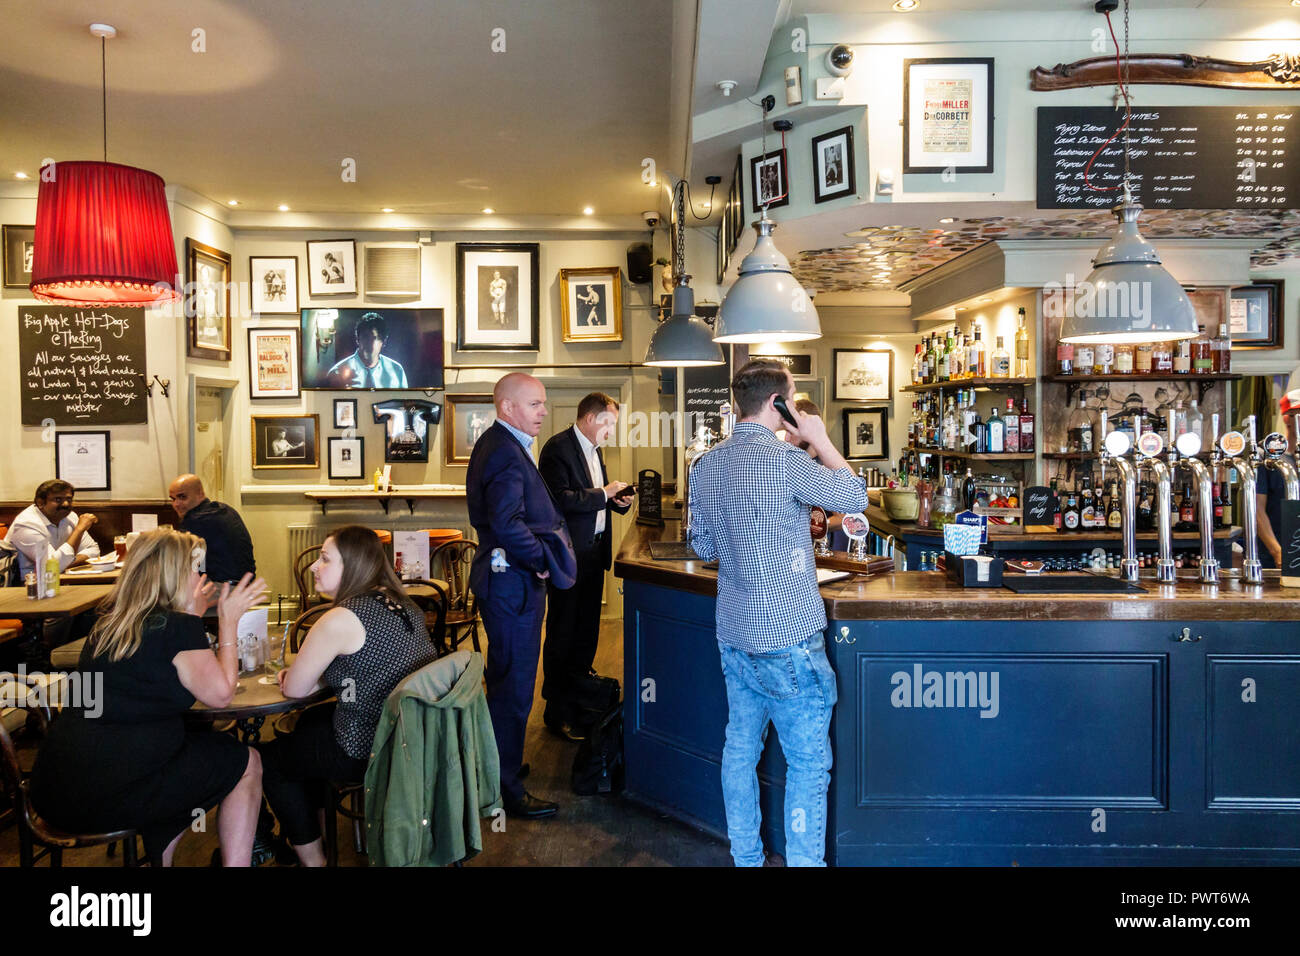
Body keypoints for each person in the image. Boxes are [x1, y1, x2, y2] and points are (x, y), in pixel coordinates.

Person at [687, 359, 867, 867]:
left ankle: (747, 859)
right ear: (778, 404)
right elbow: (855, 498)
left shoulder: (707, 465)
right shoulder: (786, 462)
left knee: (739, 751)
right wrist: (820, 436)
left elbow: (702, 545)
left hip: (735, 630)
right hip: (787, 635)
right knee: (808, 765)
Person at [29, 530, 267, 865]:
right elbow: (221, 695)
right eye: (193, 569)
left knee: (182, 758)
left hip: (56, 786)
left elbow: (154, 666)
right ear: (172, 575)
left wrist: (190, 619)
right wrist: (228, 623)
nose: (200, 577)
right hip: (111, 794)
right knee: (246, 761)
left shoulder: (108, 626)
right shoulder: (176, 628)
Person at [259, 525, 437, 866]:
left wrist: (295, 675)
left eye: (325, 559)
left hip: (368, 745)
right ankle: (320, 833)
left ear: (353, 565)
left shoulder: (341, 617)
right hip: (413, 737)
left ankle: (314, 860)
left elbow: (296, 689)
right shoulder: (403, 603)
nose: (314, 566)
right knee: (307, 724)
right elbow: (367, 663)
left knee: (270, 761)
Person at [466, 372, 576, 818]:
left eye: (543, 404)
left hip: (509, 584)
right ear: (507, 407)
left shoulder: (503, 444)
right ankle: (504, 790)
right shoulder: (504, 453)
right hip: (512, 585)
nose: (544, 412)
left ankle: (501, 766)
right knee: (512, 689)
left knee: (508, 681)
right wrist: (542, 561)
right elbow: (508, 525)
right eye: (535, 404)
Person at [537, 392, 634, 739]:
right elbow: (558, 500)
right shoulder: (556, 449)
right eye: (609, 423)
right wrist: (603, 493)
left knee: (586, 634)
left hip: (594, 554)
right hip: (568, 557)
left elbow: (593, 501)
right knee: (563, 635)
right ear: (591, 419)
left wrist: (616, 501)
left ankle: (580, 703)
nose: (612, 431)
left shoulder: (595, 450)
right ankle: (556, 711)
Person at [168, 474, 256, 587]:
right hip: (246, 586)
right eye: (173, 499)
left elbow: (191, 566)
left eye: (182, 497)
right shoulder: (225, 509)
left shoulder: (195, 521)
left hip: (223, 589)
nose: (176, 504)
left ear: (200, 493)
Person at [4, 479, 100, 579]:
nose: (66, 504)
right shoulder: (26, 524)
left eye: (69, 499)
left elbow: (93, 550)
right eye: (58, 500)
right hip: (27, 585)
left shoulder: (70, 516)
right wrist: (79, 530)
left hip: (60, 578)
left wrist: (66, 563)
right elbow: (51, 567)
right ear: (40, 503)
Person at [1257, 367, 1300, 569]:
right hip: (1274, 556)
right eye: (1297, 414)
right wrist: (1277, 551)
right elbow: (1257, 509)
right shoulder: (1268, 457)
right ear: (1286, 418)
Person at [325, 312, 409, 389]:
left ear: (383, 341)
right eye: (365, 337)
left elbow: (405, 403)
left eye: (374, 338)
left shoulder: (396, 370)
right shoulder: (337, 373)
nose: (369, 342)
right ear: (357, 339)